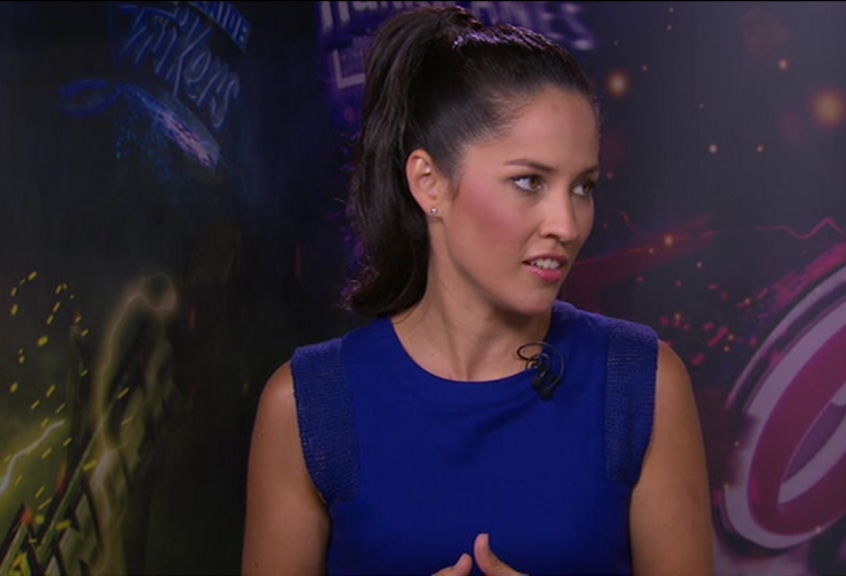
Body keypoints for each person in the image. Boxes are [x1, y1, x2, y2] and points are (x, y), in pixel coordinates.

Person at [243, 5, 714, 575]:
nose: (567, 225)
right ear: (429, 183)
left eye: (583, 187)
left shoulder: (644, 386)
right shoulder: (307, 405)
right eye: (529, 181)